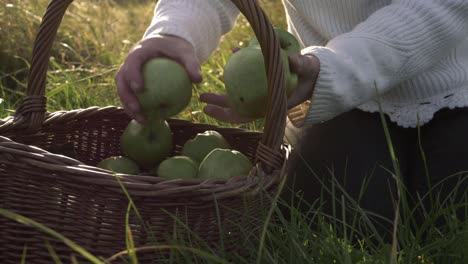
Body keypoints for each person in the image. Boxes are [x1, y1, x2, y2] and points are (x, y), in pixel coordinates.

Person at [115, 0, 468, 241]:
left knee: (447, 217)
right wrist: (175, 31)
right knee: (349, 222)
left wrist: (335, 68)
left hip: (452, 83)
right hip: (323, 88)